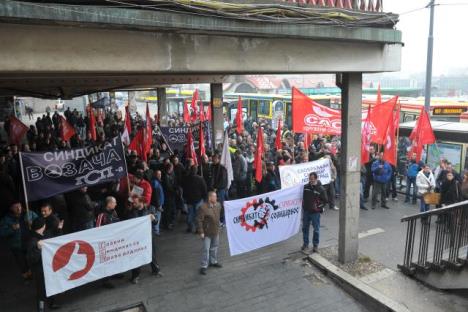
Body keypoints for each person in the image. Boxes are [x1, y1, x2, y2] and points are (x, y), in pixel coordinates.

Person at [26, 218, 60, 311]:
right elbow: (32, 259)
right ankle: (41, 309)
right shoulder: (32, 241)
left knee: (51, 286)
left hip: (47, 267)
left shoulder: (42, 235)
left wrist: (59, 229)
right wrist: (38, 248)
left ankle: (52, 303)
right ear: (43, 226)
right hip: (39, 270)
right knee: (41, 291)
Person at [0, 202, 38, 281]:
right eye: (15, 207)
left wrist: (33, 223)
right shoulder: (6, 219)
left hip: (30, 242)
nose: (18, 208)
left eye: (19, 206)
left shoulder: (29, 213)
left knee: (33, 259)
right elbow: (2, 232)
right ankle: (27, 277)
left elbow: (40, 222)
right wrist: (12, 229)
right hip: (17, 245)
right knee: (22, 263)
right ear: (11, 208)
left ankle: (34, 275)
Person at [128, 197, 162, 284]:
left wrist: (153, 218)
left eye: (135, 202)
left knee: (152, 253)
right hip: (137, 237)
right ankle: (135, 276)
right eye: (133, 203)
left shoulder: (151, 208)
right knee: (136, 255)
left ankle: (156, 269)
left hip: (148, 235)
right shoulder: (131, 211)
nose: (133, 204)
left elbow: (156, 222)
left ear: (141, 202)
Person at [95, 196, 120, 289]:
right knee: (106, 261)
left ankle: (113, 273)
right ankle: (105, 280)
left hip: (113, 240)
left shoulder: (114, 212)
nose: (116, 204)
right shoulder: (101, 215)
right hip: (105, 242)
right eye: (114, 202)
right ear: (109, 204)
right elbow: (97, 229)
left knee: (114, 257)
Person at [197, 191, 222, 275]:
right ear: (210, 198)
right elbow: (199, 220)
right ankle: (204, 266)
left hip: (215, 231)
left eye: (216, 196)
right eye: (214, 197)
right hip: (207, 232)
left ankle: (213, 261)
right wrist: (201, 232)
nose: (216, 198)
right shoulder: (203, 207)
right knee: (206, 249)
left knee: (214, 247)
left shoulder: (218, 205)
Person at [301, 172, 328, 253]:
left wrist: (318, 208)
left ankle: (315, 246)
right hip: (306, 212)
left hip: (315, 213)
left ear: (316, 178)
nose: (311, 180)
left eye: (312, 179)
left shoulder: (321, 189)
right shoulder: (305, 187)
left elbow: (325, 201)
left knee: (316, 230)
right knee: (305, 228)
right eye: (310, 179)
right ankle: (305, 244)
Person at [183, 166, 208, 233]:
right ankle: (198, 229)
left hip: (189, 200)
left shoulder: (186, 179)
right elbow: (204, 189)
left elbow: (184, 190)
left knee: (190, 215)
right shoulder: (200, 179)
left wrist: (184, 198)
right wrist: (205, 198)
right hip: (198, 200)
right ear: (196, 171)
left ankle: (190, 228)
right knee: (198, 215)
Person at [150, 170, 165, 236]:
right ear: (155, 175)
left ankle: (156, 230)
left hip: (157, 203)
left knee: (156, 217)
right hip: (156, 204)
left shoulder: (156, 181)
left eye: (160, 174)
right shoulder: (155, 183)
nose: (160, 175)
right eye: (158, 174)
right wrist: (158, 205)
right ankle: (156, 232)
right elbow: (155, 195)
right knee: (156, 218)